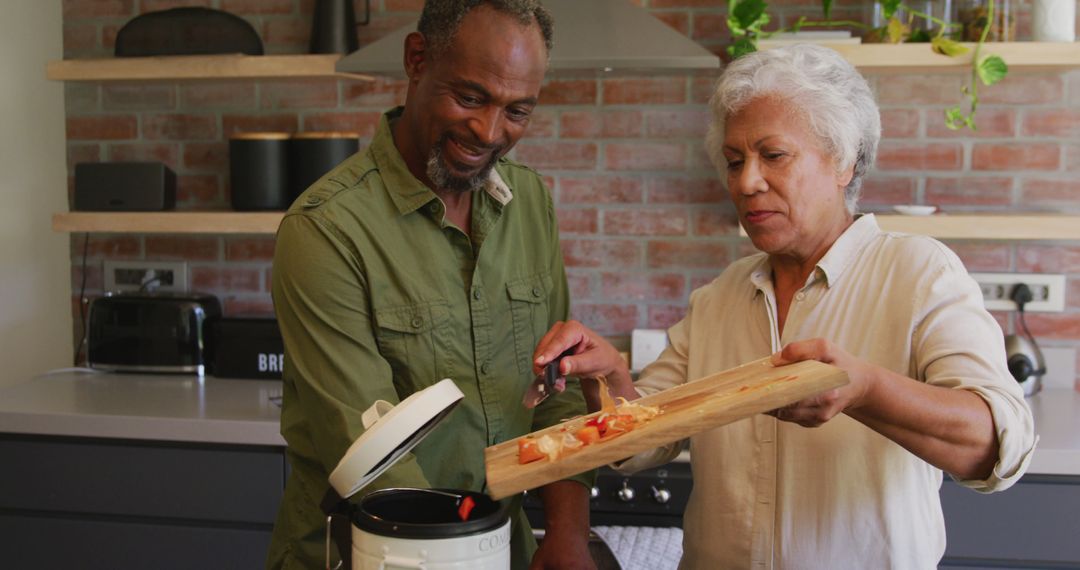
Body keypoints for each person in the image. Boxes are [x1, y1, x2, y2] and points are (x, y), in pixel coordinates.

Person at [532, 44, 1037, 569]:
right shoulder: (720, 296)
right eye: (734, 161)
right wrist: (612, 376)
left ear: (842, 161)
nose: (746, 182)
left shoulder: (918, 271)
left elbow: (999, 445)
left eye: (773, 156)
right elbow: (641, 444)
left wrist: (863, 389)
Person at [266, 2, 596, 569]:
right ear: (416, 60)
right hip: (376, 553)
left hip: (496, 549)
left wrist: (567, 532)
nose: (489, 132)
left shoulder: (530, 204)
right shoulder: (324, 230)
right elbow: (375, 460)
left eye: (517, 110)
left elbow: (554, 392)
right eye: (469, 98)